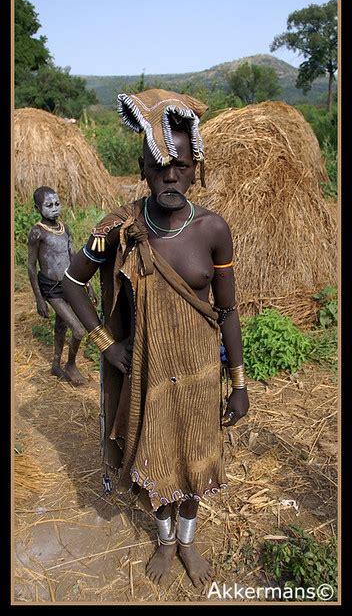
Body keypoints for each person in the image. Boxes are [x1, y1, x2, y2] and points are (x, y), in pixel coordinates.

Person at [62, 89, 249, 587]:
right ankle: (164, 541)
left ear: (195, 169)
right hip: (147, 373)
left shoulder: (213, 230)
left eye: (181, 166)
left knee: (196, 461)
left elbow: (227, 309)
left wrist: (239, 382)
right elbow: (70, 280)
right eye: (158, 165)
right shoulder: (119, 228)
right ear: (142, 169)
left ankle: (187, 541)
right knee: (155, 457)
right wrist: (106, 342)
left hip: (200, 374)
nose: (170, 175)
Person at [28, 186, 97, 386]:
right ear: (37, 207)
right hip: (50, 289)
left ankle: (56, 365)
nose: (55, 208)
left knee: (61, 326)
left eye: (57, 204)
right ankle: (71, 365)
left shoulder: (64, 228)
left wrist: (87, 283)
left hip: (68, 284)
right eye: (49, 205)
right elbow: (31, 267)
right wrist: (39, 299)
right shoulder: (37, 232)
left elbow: (73, 258)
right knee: (78, 330)